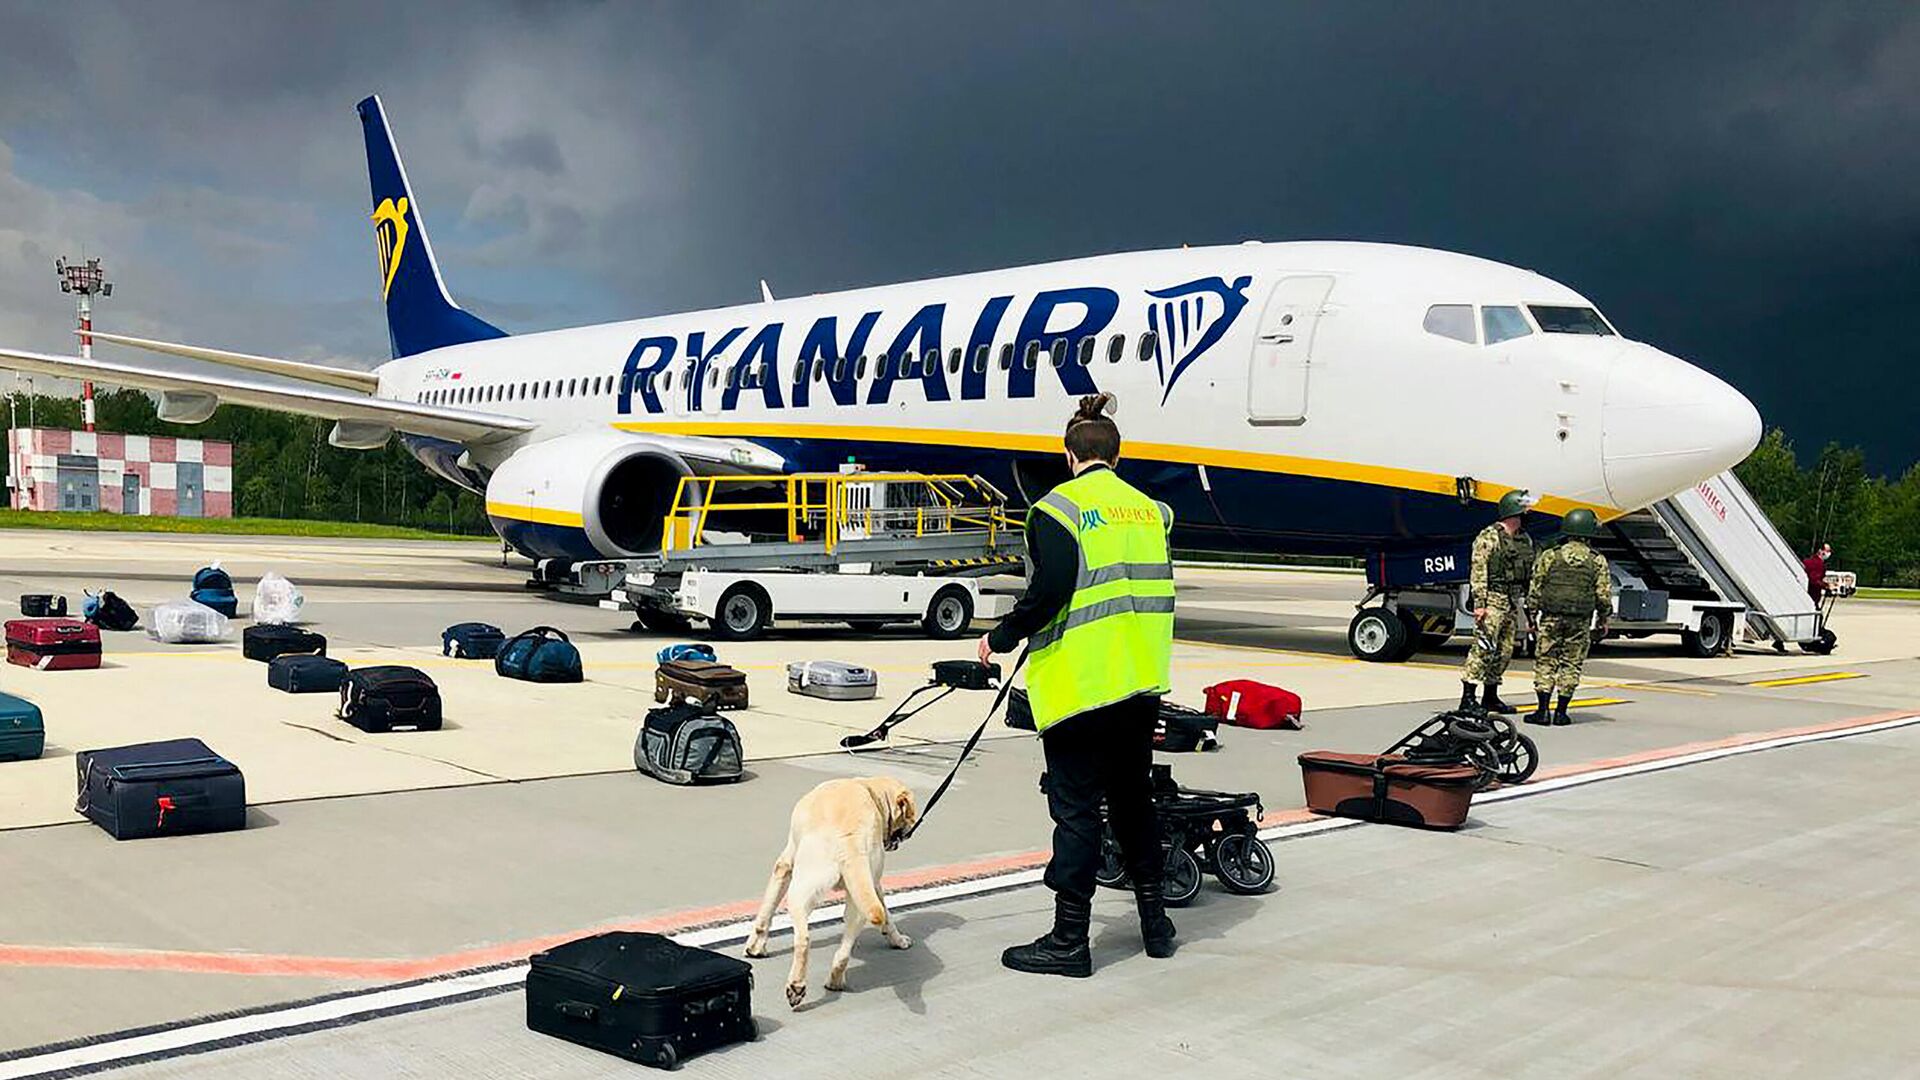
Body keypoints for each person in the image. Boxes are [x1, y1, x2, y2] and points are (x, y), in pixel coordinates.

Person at [979, 392, 1177, 978]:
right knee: (1134, 802)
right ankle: (1156, 923)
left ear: (1070, 455)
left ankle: (1070, 940)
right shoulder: (1152, 512)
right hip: (1139, 683)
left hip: (1082, 687)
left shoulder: (1057, 510)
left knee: (1077, 812)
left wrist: (1004, 635)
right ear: (1115, 455)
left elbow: (1050, 591)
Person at [1525, 508, 1612, 726]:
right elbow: (1603, 595)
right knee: (1571, 664)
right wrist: (1603, 618)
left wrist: (1531, 616)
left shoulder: (1550, 556)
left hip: (1551, 618)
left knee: (1546, 661)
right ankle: (1562, 712)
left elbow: (1535, 588)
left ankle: (1542, 710)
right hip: (1579, 620)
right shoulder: (1597, 560)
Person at [1460, 490, 1536, 714]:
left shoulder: (1524, 538)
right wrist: (1480, 603)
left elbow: (1528, 573)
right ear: (1514, 511)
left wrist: (1529, 609)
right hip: (1492, 600)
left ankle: (1490, 697)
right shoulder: (1489, 537)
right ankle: (1468, 699)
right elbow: (1479, 570)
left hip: (1512, 601)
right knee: (1483, 648)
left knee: (1503, 651)